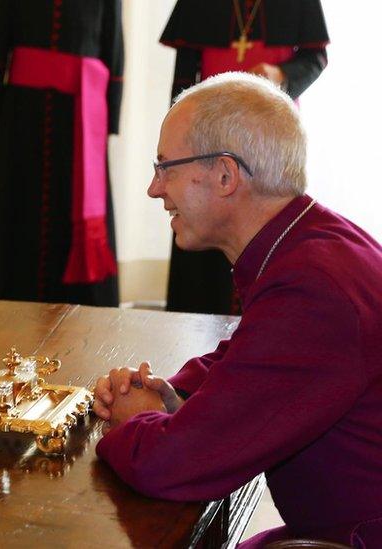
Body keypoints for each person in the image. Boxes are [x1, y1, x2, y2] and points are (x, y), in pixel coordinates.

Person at [92, 73, 382, 547]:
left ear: (226, 175)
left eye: (165, 167)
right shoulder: (314, 239)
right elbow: (252, 355)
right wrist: (167, 392)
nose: (153, 188)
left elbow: (171, 465)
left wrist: (135, 419)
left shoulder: (314, 289)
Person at [159, 0, 330, 314]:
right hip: (206, 130)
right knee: (199, 211)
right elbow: (185, 71)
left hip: (266, 133)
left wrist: (279, 73)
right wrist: (177, 131)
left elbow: (315, 57)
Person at [0, 0, 123, 305]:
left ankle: (83, 304)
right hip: (22, 115)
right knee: (21, 207)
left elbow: (113, 49)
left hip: (80, 118)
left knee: (73, 207)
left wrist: (108, 120)